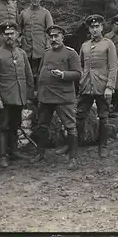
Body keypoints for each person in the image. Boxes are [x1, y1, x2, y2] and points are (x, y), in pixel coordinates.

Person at [30, 25, 82, 169]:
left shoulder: (71, 53)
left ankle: (73, 159)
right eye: (51, 36)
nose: (53, 39)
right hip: (46, 97)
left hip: (63, 97)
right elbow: (41, 72)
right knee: (42, 126)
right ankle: (40, 153)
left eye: (56, 36)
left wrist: (63, 74)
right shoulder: (46, 53)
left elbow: (78, 73)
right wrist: (38, 92)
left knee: (70, 127)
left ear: (62, 37)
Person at [0, 21, 35, 168]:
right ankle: (2, 156)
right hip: (4, 97)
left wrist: (28, 95)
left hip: (19, 96)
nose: (10, 36)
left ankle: (14, 151)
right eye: (6, 34)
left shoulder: (21, 53)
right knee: (3, 126)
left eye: (12, 33)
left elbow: (28, 76)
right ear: (2, 36)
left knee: (15, 124)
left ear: (17, 35)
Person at [75, 14, 118, 158]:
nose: (94, 30)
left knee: (103, 116)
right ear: (89, 29)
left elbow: (113, 66)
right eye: (92, 27)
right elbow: (80, 65)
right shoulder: (85, 45)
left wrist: (110, 87)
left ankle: (103, 145)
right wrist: (81, 79)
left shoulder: (108, 44)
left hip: (102, 84)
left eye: (97, 27)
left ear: (102, 27)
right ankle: (75, 144)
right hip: (86, 85)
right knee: (80, 115)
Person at [19, 0, 54, 89]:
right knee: (27, 74)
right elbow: (18, 30)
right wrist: (20, 42)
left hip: (41, 49)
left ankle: (40, 97)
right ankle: (28, 97)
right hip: (27, 49)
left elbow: (51, 30)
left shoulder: (45, 13)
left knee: (40, 75)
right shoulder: (24, 13)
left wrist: (48, 44)